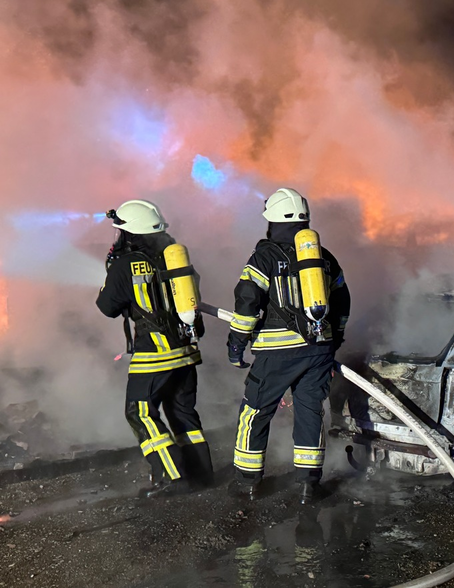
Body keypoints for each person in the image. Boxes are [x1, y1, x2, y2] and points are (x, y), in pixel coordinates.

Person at [227, 187, 350, 504]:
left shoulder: (264, 257)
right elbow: (342, 299)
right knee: (310, 412)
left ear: (271, 220)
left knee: (255, 412)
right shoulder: (323, 256)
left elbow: (247, 303)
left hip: (277, 353)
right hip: (319, 350)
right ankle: (309, 484)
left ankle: (247, 482)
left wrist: (236, 343)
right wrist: (335, 337)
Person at [96, 199, 213, 497]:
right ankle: (202, 476)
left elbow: (108, 307)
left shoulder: (125, 265)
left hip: (154, 355)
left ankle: (172, 477)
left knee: (140, 412)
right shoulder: (173, 255)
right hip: (186, 351)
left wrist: (107, 279)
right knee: (183, 412)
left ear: (128, 232)